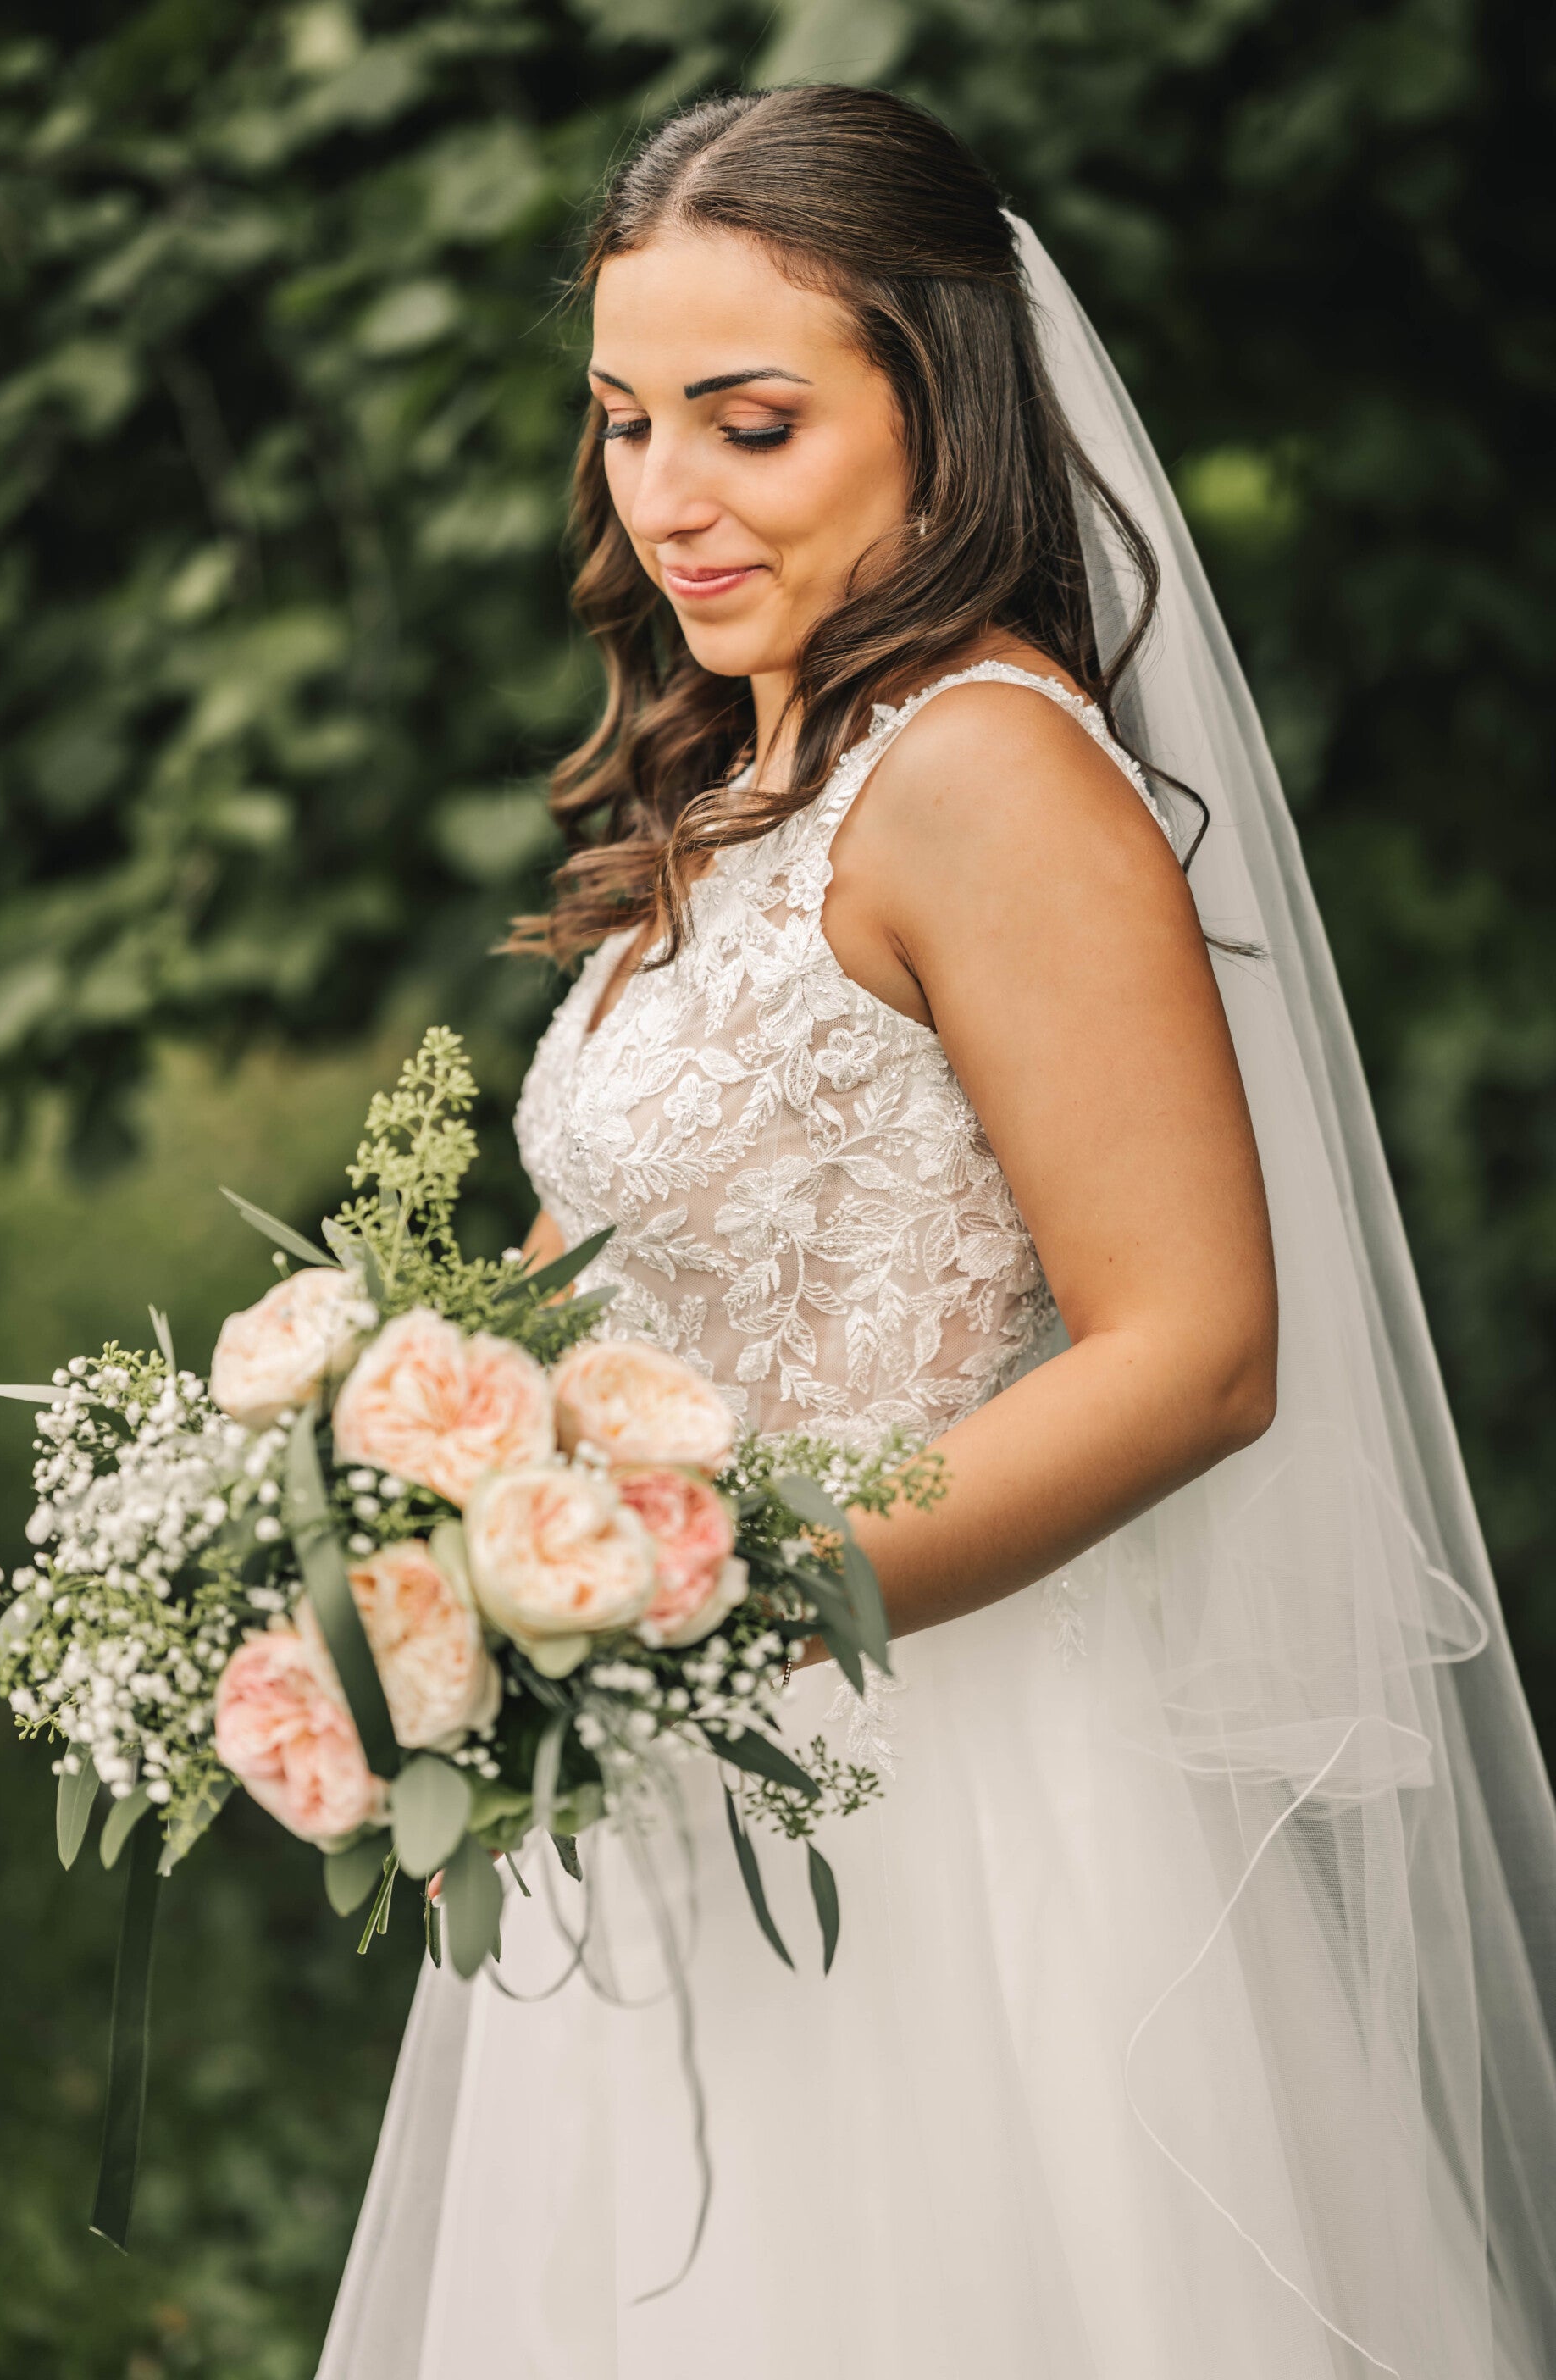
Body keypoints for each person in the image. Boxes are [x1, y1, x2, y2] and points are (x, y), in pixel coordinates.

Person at [318, 86, 1556, 2379]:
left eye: (750, 424)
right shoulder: (756, 765)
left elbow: (1195, 1346)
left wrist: (714, 1598)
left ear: (939, 405)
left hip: (931, 1792)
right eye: (623, 425)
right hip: (667, 1773)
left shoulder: (983, 766)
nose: (667, 498)